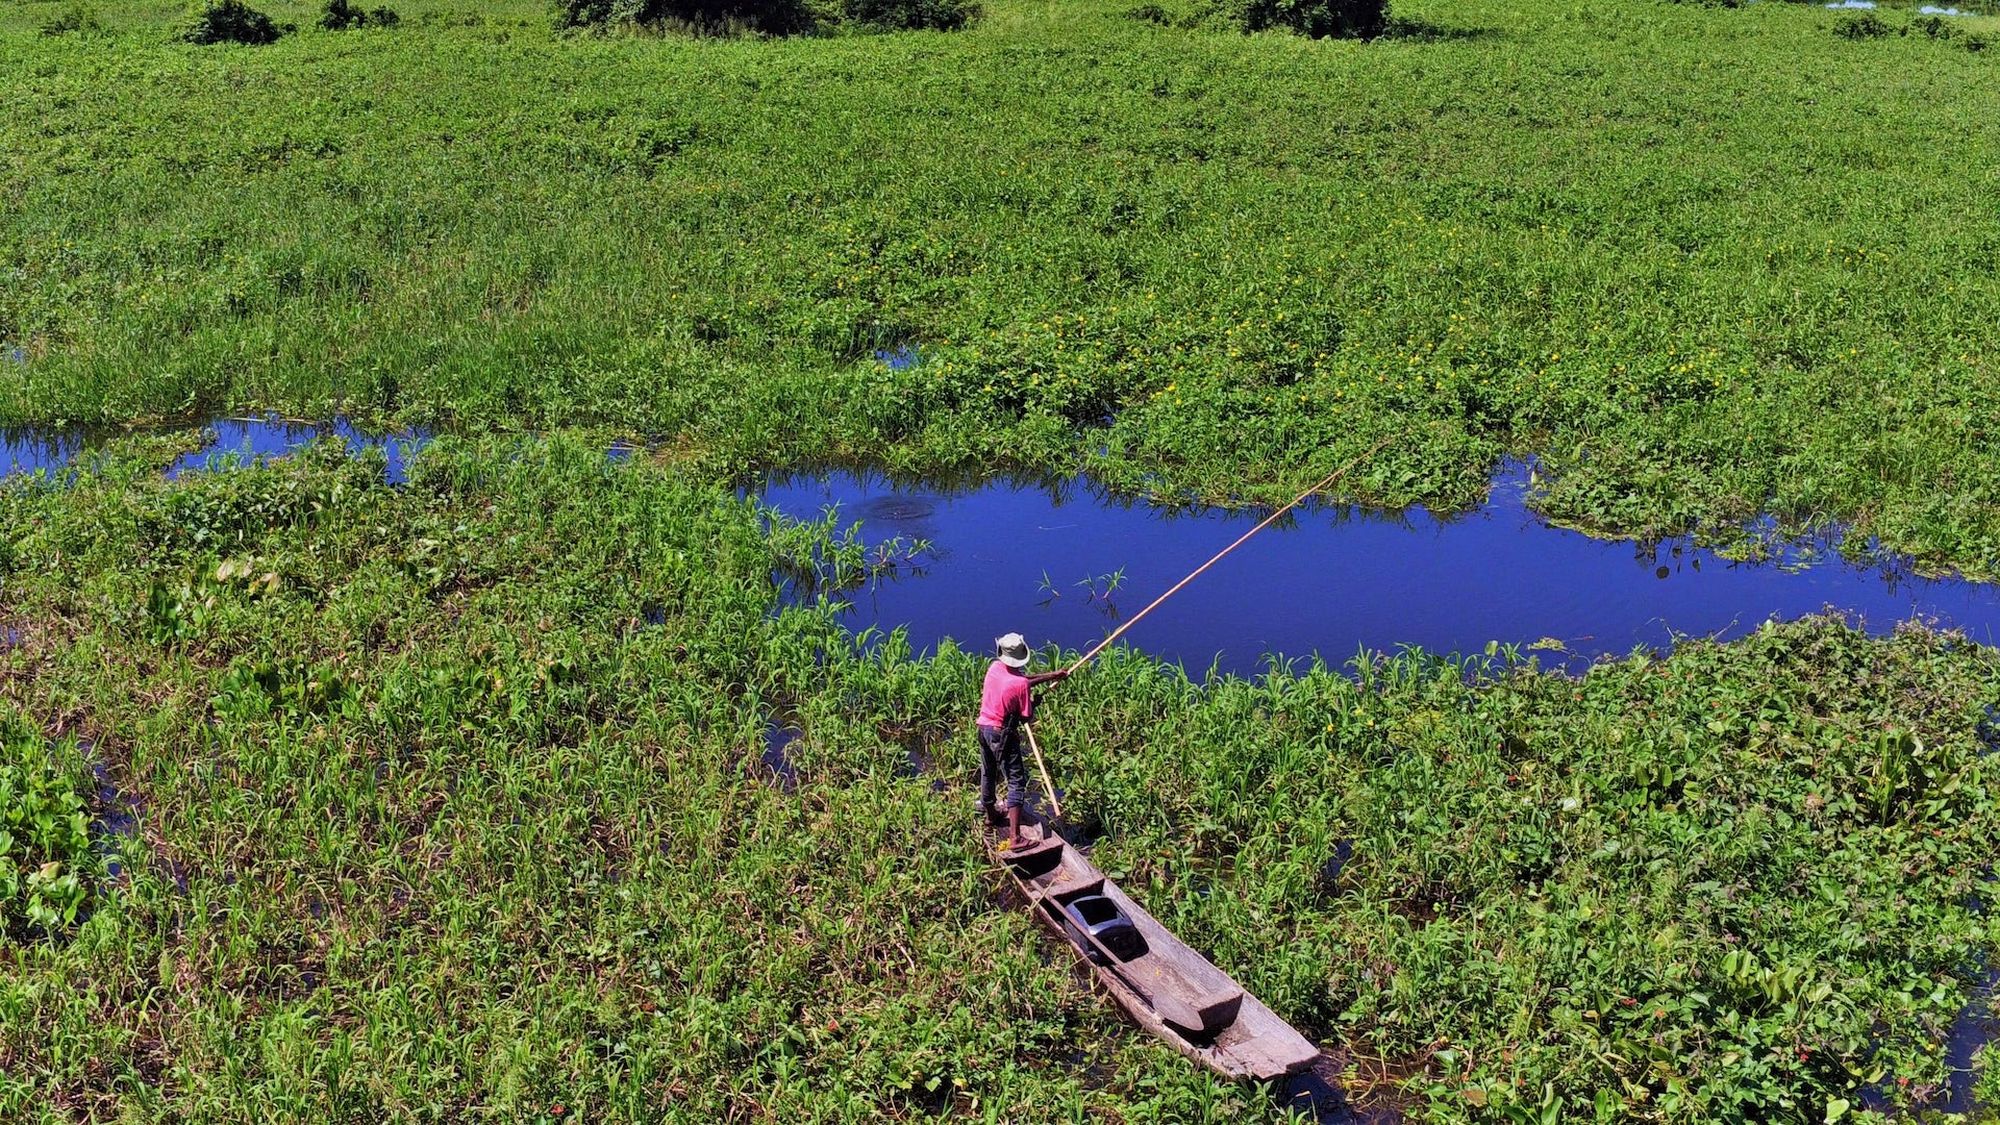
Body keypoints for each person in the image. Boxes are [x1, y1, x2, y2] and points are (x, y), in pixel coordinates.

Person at [978, 632, 1068, 848]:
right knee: (1017, 781)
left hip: (983, 728)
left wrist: (1052, 675)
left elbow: (1022, 680)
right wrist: (1034, 703)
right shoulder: (1019, 686)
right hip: (1002, 734)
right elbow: (1026, 716)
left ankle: (991, 816)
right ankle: (1015, 838)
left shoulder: (994, 668)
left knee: (988, 772)